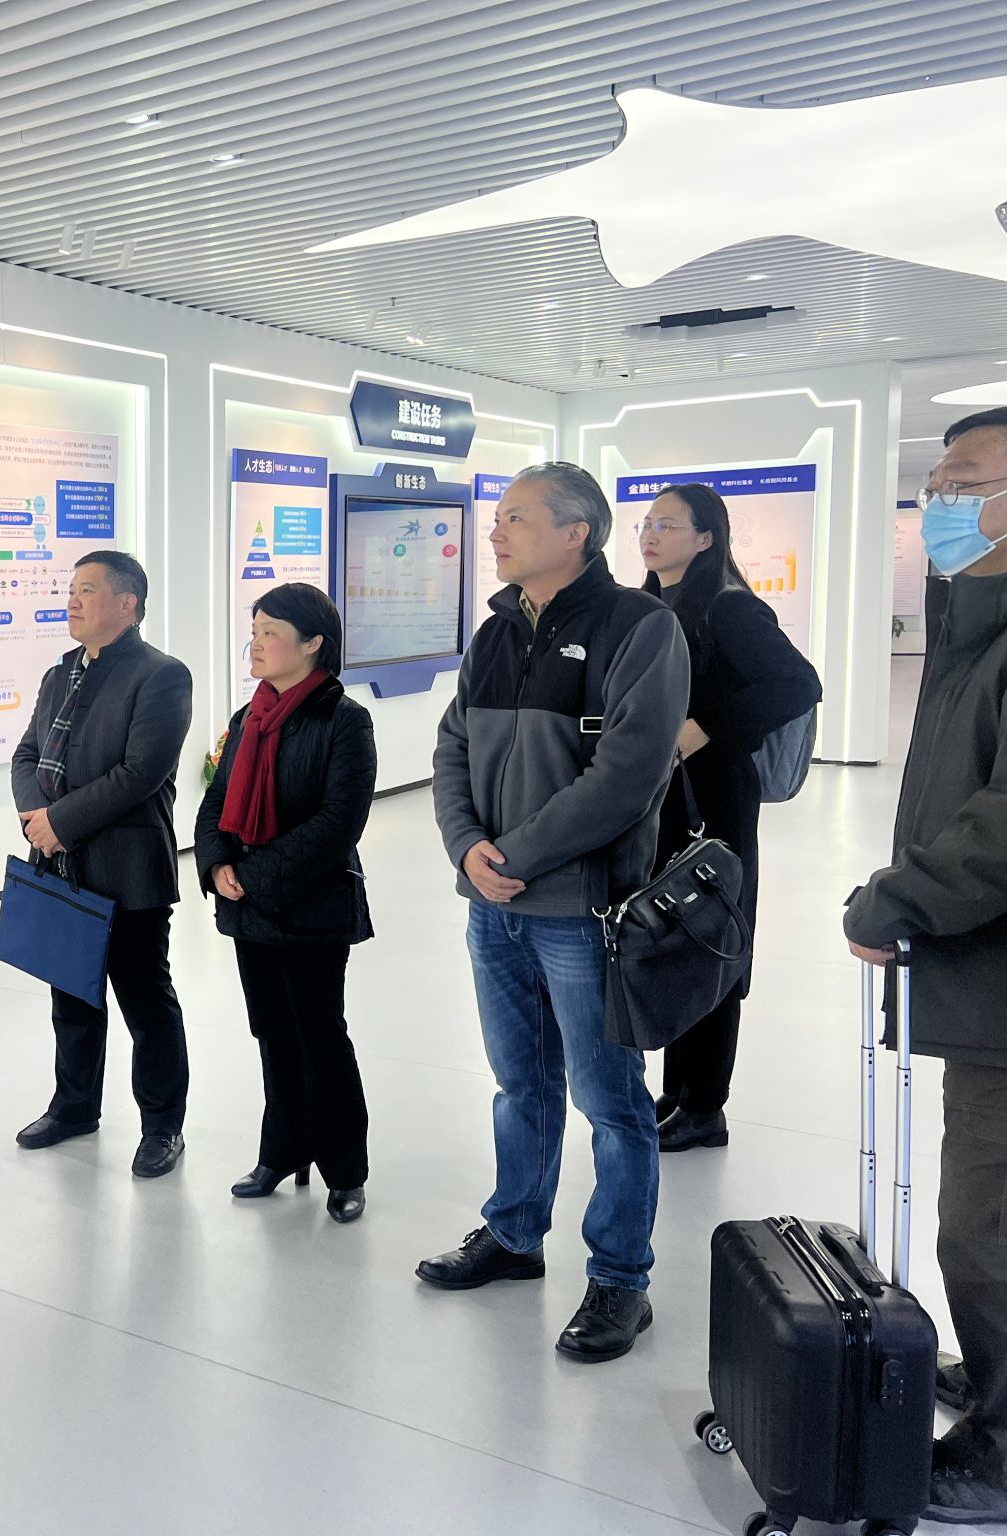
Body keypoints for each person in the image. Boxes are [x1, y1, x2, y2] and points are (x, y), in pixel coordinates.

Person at [419, 462, 689, 1364]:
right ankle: (514, 1233)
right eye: (497, 518)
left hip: (582, 909)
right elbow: (452, 746)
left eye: (515, 518)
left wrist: (517, 857)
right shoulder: (496, 629)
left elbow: (627, 776)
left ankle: (620, 1278)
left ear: (577, 532)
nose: (495, 533)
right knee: (519, 1085)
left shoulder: (639, 627)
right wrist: (466, 846)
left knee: (611, 1103)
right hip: (491, 904)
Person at [844, 406, 1007, 1523]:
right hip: (977, 978)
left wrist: (899, 897)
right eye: (936, 481)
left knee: (985, 1227)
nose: (939, 498)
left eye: (965, 480)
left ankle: (1001, 1454)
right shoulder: (972, 625)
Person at [637, 484, 821, 1152]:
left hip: (712, 800)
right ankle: (679, 1089)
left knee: (710, 939)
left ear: (706, 538)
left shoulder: (729, 606)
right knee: (669, 938)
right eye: (647, 522)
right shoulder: (650, 605)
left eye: (668, 524)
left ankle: (705, 1105)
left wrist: (705, 728)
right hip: (662, 800)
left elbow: (797, 684)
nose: (651, 534)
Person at [10, 550, 194, 1179]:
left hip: (128, 867)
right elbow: (27, 754)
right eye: (72, 588)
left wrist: (60, 822)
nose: (73, 600)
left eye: (87, 590)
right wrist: (37, 817)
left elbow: (141, 773)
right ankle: (74, 1108)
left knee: (146, 1002)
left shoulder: (161, 676)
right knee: (71, 998)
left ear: (127, 604)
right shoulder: (60, 674)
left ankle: (162, 1126)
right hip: (59, 864)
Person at [195, 584, 376, 1219]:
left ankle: (345, 1170)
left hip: (311, 905)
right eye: (255, 630)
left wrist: (256, 876)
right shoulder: (248, 717)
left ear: (312, 643)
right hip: (249, 907)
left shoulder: (344, 720)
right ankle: (281, 1152)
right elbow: (216, 800)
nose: (256, 643)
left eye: (270, 632)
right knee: (271, 1032)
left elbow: (338, 823)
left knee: (319, 1035)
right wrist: (217, 862)